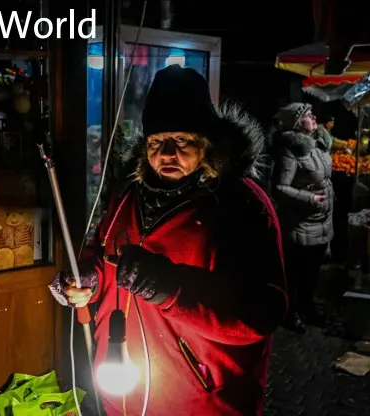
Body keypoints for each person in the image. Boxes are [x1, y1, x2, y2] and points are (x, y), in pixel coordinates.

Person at [49, 65, 288, 416]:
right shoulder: (128, 195)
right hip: (121, 392)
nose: (167, 154)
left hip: (199, 403)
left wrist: (170, 287)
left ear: (208, 144)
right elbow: (102, 255)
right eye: (157, 142)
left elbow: (261, 311)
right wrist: (88, 278)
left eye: (183, 141)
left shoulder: (241, 204)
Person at [272, 103, 334, 333]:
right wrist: (310, 198)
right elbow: (280, 188)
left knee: (312, 271)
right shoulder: (291, 150)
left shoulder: (318, 144)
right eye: (308, 115)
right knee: (295, 273)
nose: (314, 117)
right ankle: (291, 313)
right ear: (297, 123)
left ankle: (308, 308)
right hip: (300, 223)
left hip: (321, 221)